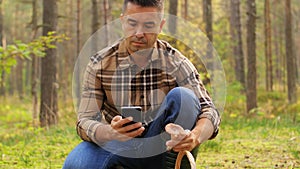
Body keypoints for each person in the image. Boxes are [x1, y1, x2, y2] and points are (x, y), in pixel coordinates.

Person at [63, 0, 221, 168]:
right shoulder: (100, 64)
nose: (139, 33)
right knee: (76, 164)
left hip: (163, 147)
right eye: (132, 24)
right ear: (122, 21)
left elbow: (209, 110)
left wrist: (195, 136)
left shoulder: (177, 62)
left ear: (160, 26)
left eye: (148, 25)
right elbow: (85, 120)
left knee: (184, 97)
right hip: (117, 144)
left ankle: (175, 164)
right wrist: (109, 132)